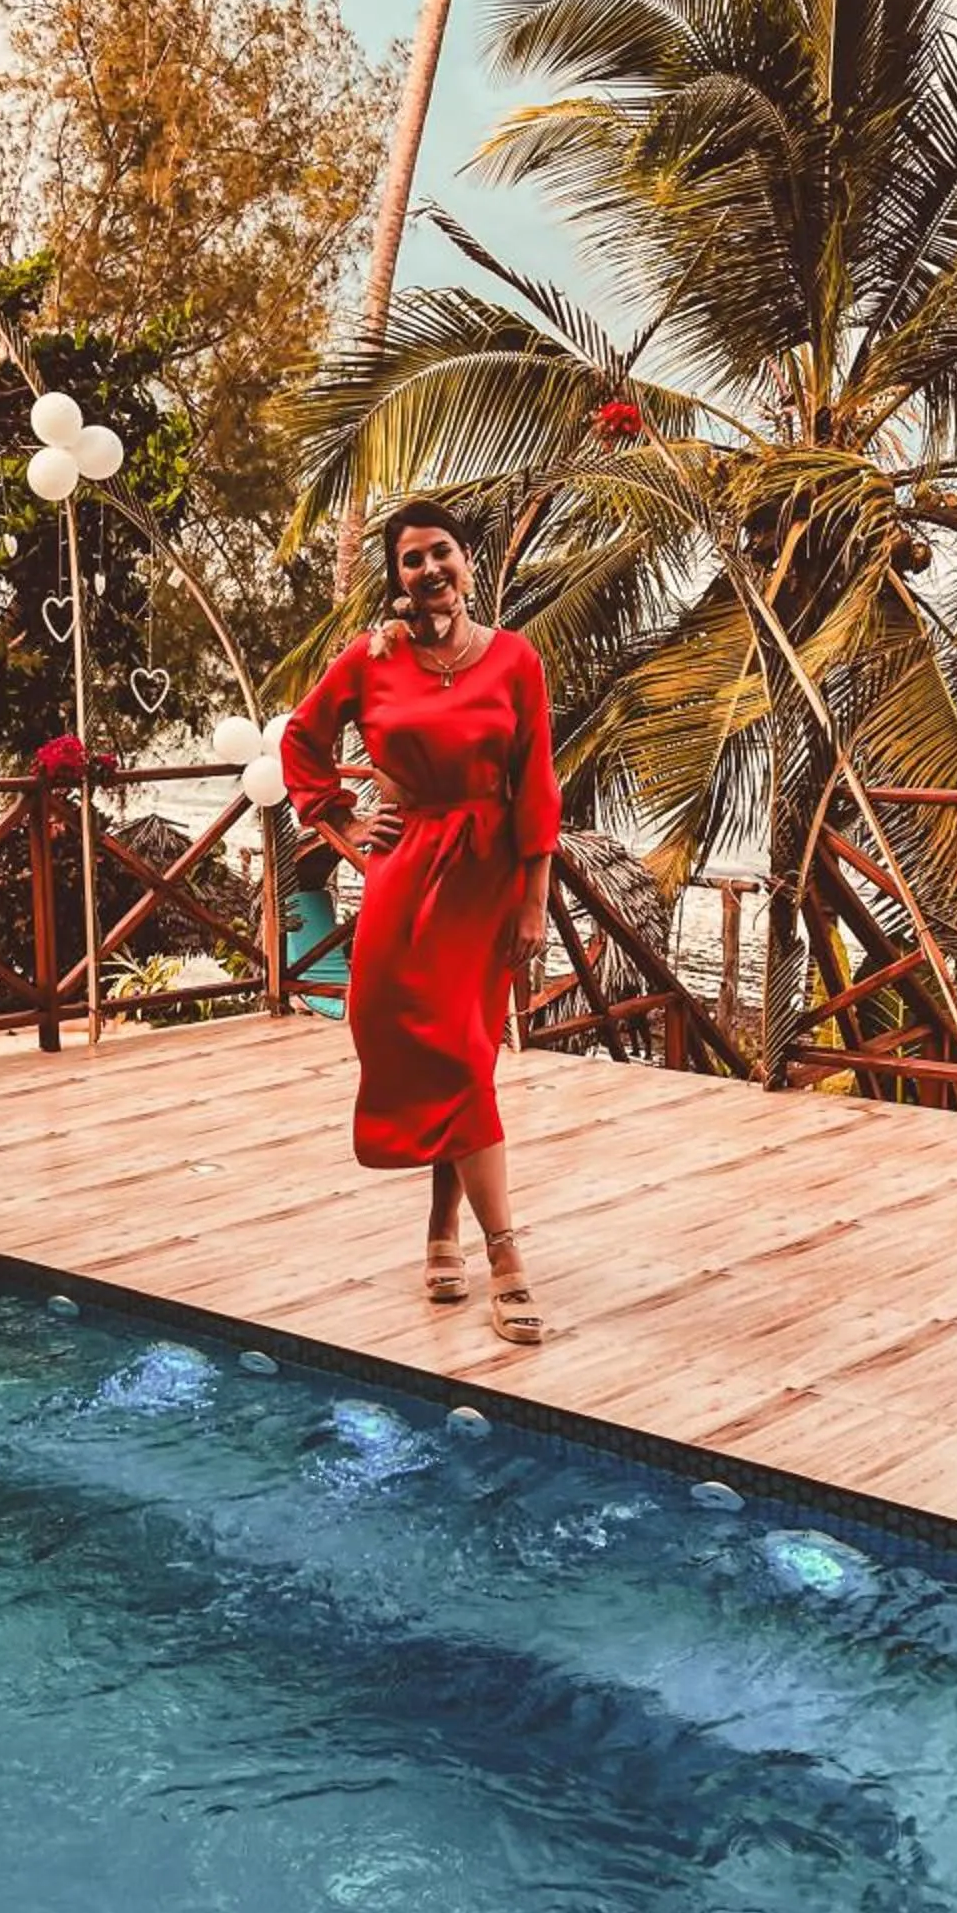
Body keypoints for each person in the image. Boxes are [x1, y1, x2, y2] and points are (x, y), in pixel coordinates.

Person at [280, 501, 560, 1345]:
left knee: (466, 1057)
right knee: (411, 1041)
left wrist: (535, 897)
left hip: (486, 877)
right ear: (396, 577)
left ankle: (498, 1254)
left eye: (441, 552)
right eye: (411, 559)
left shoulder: (515, 660)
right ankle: (447, 1232)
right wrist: (344, 822)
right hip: (405, 874)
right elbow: (301, 739)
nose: (429, 569)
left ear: (467, 562)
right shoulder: (370, 660)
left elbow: (537, 782)